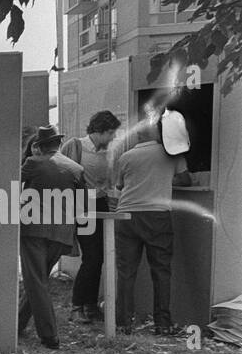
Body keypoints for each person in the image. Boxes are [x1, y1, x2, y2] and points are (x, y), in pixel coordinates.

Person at [114, 118, 194, 336]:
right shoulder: (172, 153)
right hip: (157, 216)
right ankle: (163, 324)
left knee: (126, 271)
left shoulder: (126, 157)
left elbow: (120, 186)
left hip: (126, 215)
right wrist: (164, 180)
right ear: (158, 135)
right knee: (161, 271)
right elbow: (186, 180)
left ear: (138, 136)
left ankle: (123, 323)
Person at [17, 124, 86, 351]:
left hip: (34, 230)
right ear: (58, 144)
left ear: (39, 146)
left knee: (36, 281)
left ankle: (50, 336)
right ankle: (17, 324)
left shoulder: (33, 163)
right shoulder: (75, 168)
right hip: (62, 233)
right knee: (38, 280)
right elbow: (82, 203)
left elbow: (12, 185)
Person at [60, 111, 121, 324]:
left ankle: (90, 304)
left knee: (99, 257)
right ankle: (77, 305)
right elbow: (62, 175)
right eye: (111, 132)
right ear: (100, 130)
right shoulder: (75, 146)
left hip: (100, 203)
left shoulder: (109, 152)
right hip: (82, 205)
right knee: (92, 256)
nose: (113, 137)